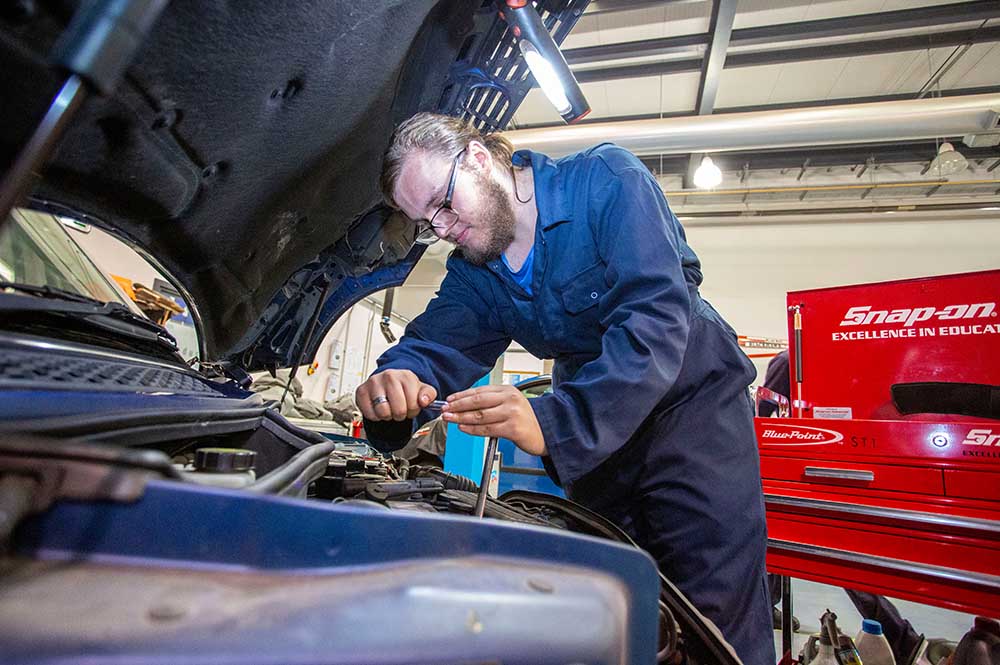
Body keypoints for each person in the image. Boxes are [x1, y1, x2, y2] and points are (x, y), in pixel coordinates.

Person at [355, 112, 774, 665]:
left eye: (443, 203)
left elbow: (654, 318)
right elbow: (437, 342)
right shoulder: (477, 270)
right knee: (613, 598)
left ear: (478, 158)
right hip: (601, 433)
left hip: (689, 406)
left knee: (711, 612)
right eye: (426, 222)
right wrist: (395, 383)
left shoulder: (607, 182)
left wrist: (556, 422)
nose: (444, 227)